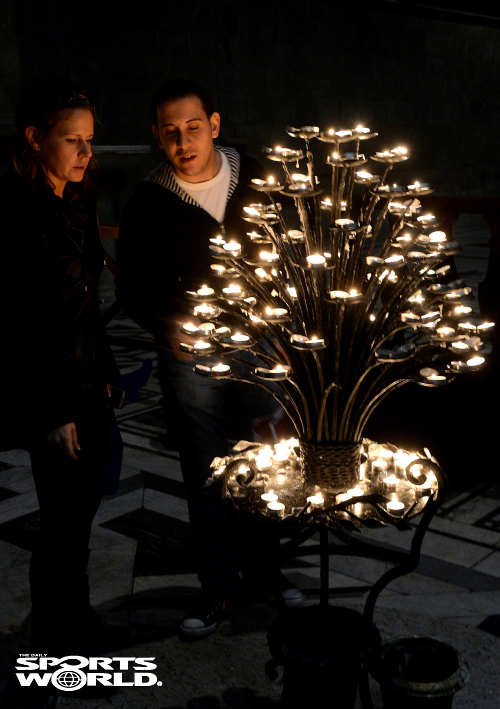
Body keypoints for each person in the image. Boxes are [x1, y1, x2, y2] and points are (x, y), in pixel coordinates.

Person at [117, 79, 304, 639]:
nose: (184, 142)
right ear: (157, 137)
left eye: (193, 128)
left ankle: (267, 573)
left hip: (260, 345)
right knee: (207, 473)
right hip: (191, 354)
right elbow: (132, 289)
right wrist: (168, 323)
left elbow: (293, 253)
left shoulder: (258, 177)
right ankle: (219, 588)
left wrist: (286, 326)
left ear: (214, 126)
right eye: (170, 132)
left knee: (265, 466)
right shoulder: (149, 200)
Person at [0, 81, 120, 653]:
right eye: (73, 140)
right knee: (62, 522)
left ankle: (77, 621)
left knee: (80, 515)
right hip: (51, 392)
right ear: (35, 137)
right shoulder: (14, 214)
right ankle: (56, 645)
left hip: (87, 379)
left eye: (90, 140)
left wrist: (107, 371)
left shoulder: (75, 200)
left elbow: (85, 303)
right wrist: (49, 413)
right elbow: (16, 325)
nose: (86, 153)